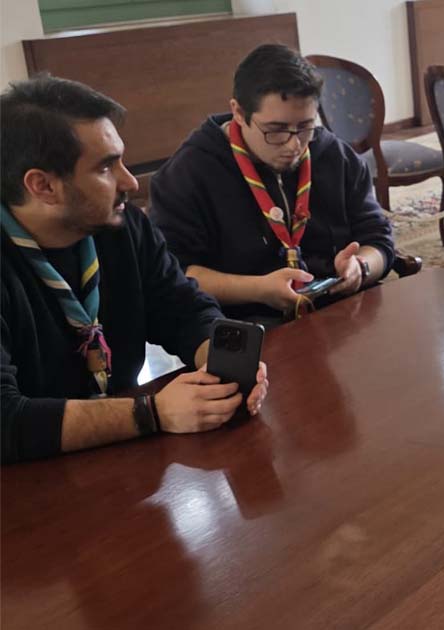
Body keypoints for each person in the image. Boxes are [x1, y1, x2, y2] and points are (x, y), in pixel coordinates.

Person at [1, 76, 267, 464]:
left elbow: (182, 308)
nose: (129, 181)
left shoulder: (121, 225)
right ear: (43, 186)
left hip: (117, 458)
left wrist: (222, 363)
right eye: (107, 168)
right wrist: (150, 413)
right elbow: (5, 422)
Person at [149, 44, 395, 324]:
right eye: (276, 130)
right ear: (239, 113)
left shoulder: (335, 156)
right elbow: (175, 273)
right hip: (249, 325)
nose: (294, 145)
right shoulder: (188, 173)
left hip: (340, 314)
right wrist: (258, 289)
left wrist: (360, 267)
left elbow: (378, 238)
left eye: (305, 127)